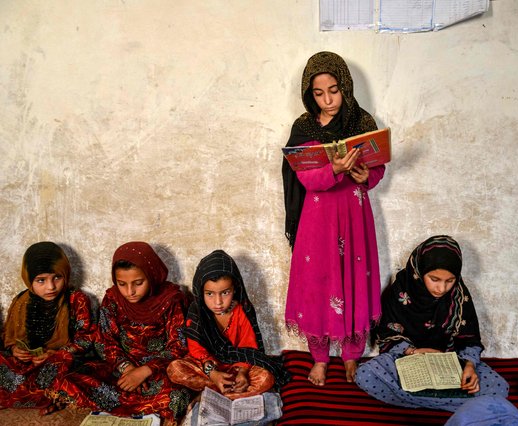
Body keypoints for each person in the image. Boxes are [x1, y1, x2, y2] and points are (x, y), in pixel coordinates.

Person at [282, 51, 385, 386]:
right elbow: (306, 178)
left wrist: (363, 175)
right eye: (318, 93)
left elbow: (377, 169)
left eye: (334, 90)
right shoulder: (305, 127)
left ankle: (352, 355)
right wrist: (334, 169)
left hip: (354, 214)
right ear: (308, 94)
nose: (327, 100)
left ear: (346, 87)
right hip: (317, 219)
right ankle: (321, 359)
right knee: (319, 282)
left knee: (355, 277)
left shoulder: (362, 122)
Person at [355, 235, 509, 410]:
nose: (441, 288)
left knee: (499, 387)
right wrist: (413, 351)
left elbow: (470, 339)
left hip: (448, 362)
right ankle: (453, 402)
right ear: (419, 271)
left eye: (450, 281)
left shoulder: (459, 296)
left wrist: (470, 366)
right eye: (434, 279)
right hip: (407, 359)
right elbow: (387, 332)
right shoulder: (399, 290)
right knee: (365, 375)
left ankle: (415, 399)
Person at [46, 241, 191, 424]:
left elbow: (179, 346)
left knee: (177, 395)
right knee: (70, 377)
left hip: (157, 371)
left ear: (152, 275)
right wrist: (128, 369)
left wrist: (144, 372)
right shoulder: (113, 299)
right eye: (122, 284)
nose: (130, 292)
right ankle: (137, 405)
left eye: (138, 283)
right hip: (120, 369)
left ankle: (129, 405)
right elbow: (104, 341)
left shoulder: (171, 300)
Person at [167, 249, 289, 399]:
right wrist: (213, 374)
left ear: (235, 289)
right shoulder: (197, 312)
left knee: (266, 378)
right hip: (207, 366)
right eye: (210, 294)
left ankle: (215, 392)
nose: (218, 302)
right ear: (200, 291)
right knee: (175, 369)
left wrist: (243, 372)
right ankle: (229, 391)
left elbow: (249, 347)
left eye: (225, 293)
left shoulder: (241, 310)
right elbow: (197, 350)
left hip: (237, 365)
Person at [0, 241, 95, 413]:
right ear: (29, 279)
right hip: (28, 364)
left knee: (73, 372)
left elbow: (86, 340)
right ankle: (49, 395)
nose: (50, 287)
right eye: (41, 280)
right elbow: (8, 337)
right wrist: (14, 349)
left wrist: (57, 353)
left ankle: (48, 394)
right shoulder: (21, 301)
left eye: (57, 277)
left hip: (61, 361)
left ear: (65, 273)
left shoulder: (76, 300)